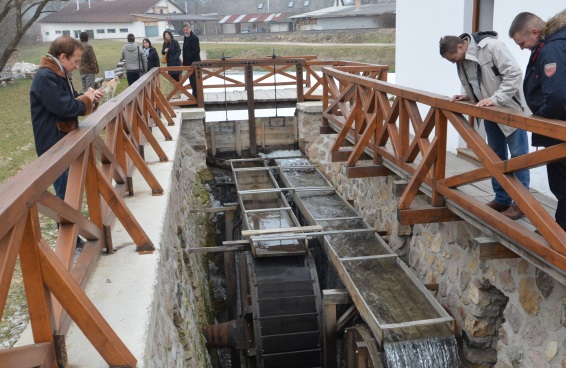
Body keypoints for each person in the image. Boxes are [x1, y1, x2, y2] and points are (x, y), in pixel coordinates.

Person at [439, 32, 530, 220]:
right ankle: (502, 199)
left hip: (511, 111)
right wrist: (468, 96)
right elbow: (476, 81)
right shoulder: (462, 58)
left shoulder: (492, 47)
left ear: (460, 47)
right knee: (494, 157)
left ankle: (521, 205)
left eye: (453, 59)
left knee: (519, 158)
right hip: (489, 112)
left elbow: (514, 74)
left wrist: (495, 99)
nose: (454, 63)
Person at [30, 36, 104, 248]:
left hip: (63, 141)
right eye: (75, 61)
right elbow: (66, 108)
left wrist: (90, 98)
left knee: (70, 192)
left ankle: (72, 239)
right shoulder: (46, 77)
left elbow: (71, 101)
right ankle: (70, 243)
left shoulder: (59, 73)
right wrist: (86, 101)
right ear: (62, 57)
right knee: (64, 196)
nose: (77, 66)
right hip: (53, 145)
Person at [509, 10, 566, 231]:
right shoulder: (552, 44)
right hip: (557, 127)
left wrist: (540, 115)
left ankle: (559, 235)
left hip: (558, 129)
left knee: (562, 185)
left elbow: (557, 96)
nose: (522, 48)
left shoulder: (551, 48)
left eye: (522, 42)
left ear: (535, 32)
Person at [182, 23, 201, 98]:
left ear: (190, 29)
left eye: (187, 29)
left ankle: (196, 96)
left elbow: (197, 50)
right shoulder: (185, 37)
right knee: (191, 80)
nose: (185, 31)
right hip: (188, 62)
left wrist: (188, 57)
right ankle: (194, 95)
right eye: (184, 30)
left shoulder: (194, 37)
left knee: (195, 79)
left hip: (194, 62)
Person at [162, 29, 182, 98]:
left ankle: (178, 93)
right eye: (165, 35)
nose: (167, 36)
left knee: (177, 78)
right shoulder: (165, 43)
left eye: (168, 34)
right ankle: (176, 92)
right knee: (172, 78)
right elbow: (162, 52)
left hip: (176, 62)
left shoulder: (175, 42)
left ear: (170, 35)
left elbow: (179, 51)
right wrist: (164, 50)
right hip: (169, 63)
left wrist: (175, 59)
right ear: (164, 37)